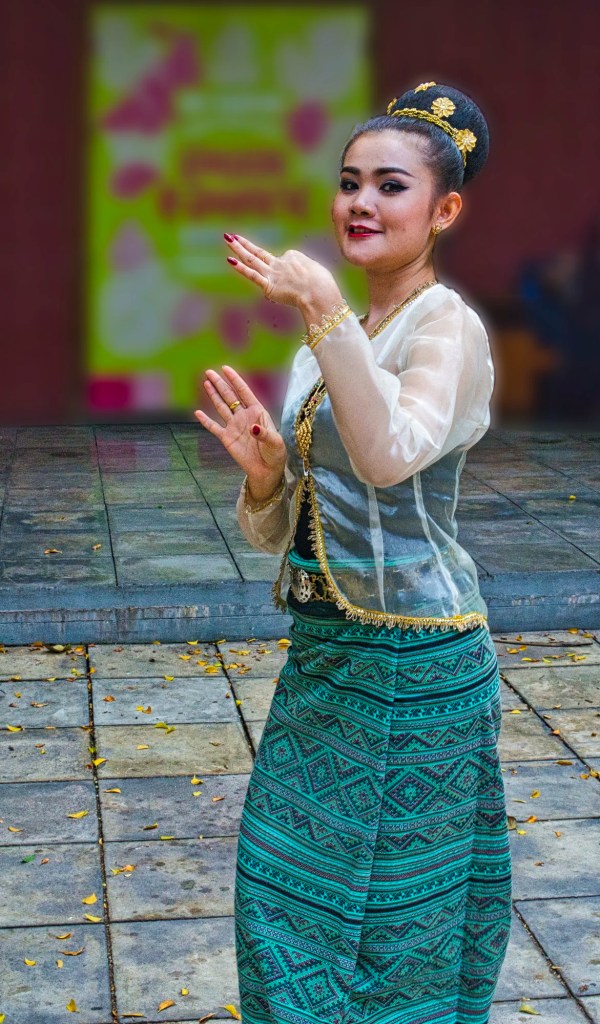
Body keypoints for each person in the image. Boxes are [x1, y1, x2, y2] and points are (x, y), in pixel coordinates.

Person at [194, 81, 511, 1024]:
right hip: (330, 659)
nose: (361, 204)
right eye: (348, 183)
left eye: (390, 186)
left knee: (400, 920)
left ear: (443, 209)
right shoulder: (334, 339)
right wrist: (266, 479)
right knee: (281, 891)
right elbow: (298, 518)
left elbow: (389, 456)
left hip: (422, 661)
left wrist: (323, 304)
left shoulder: (443, 326)